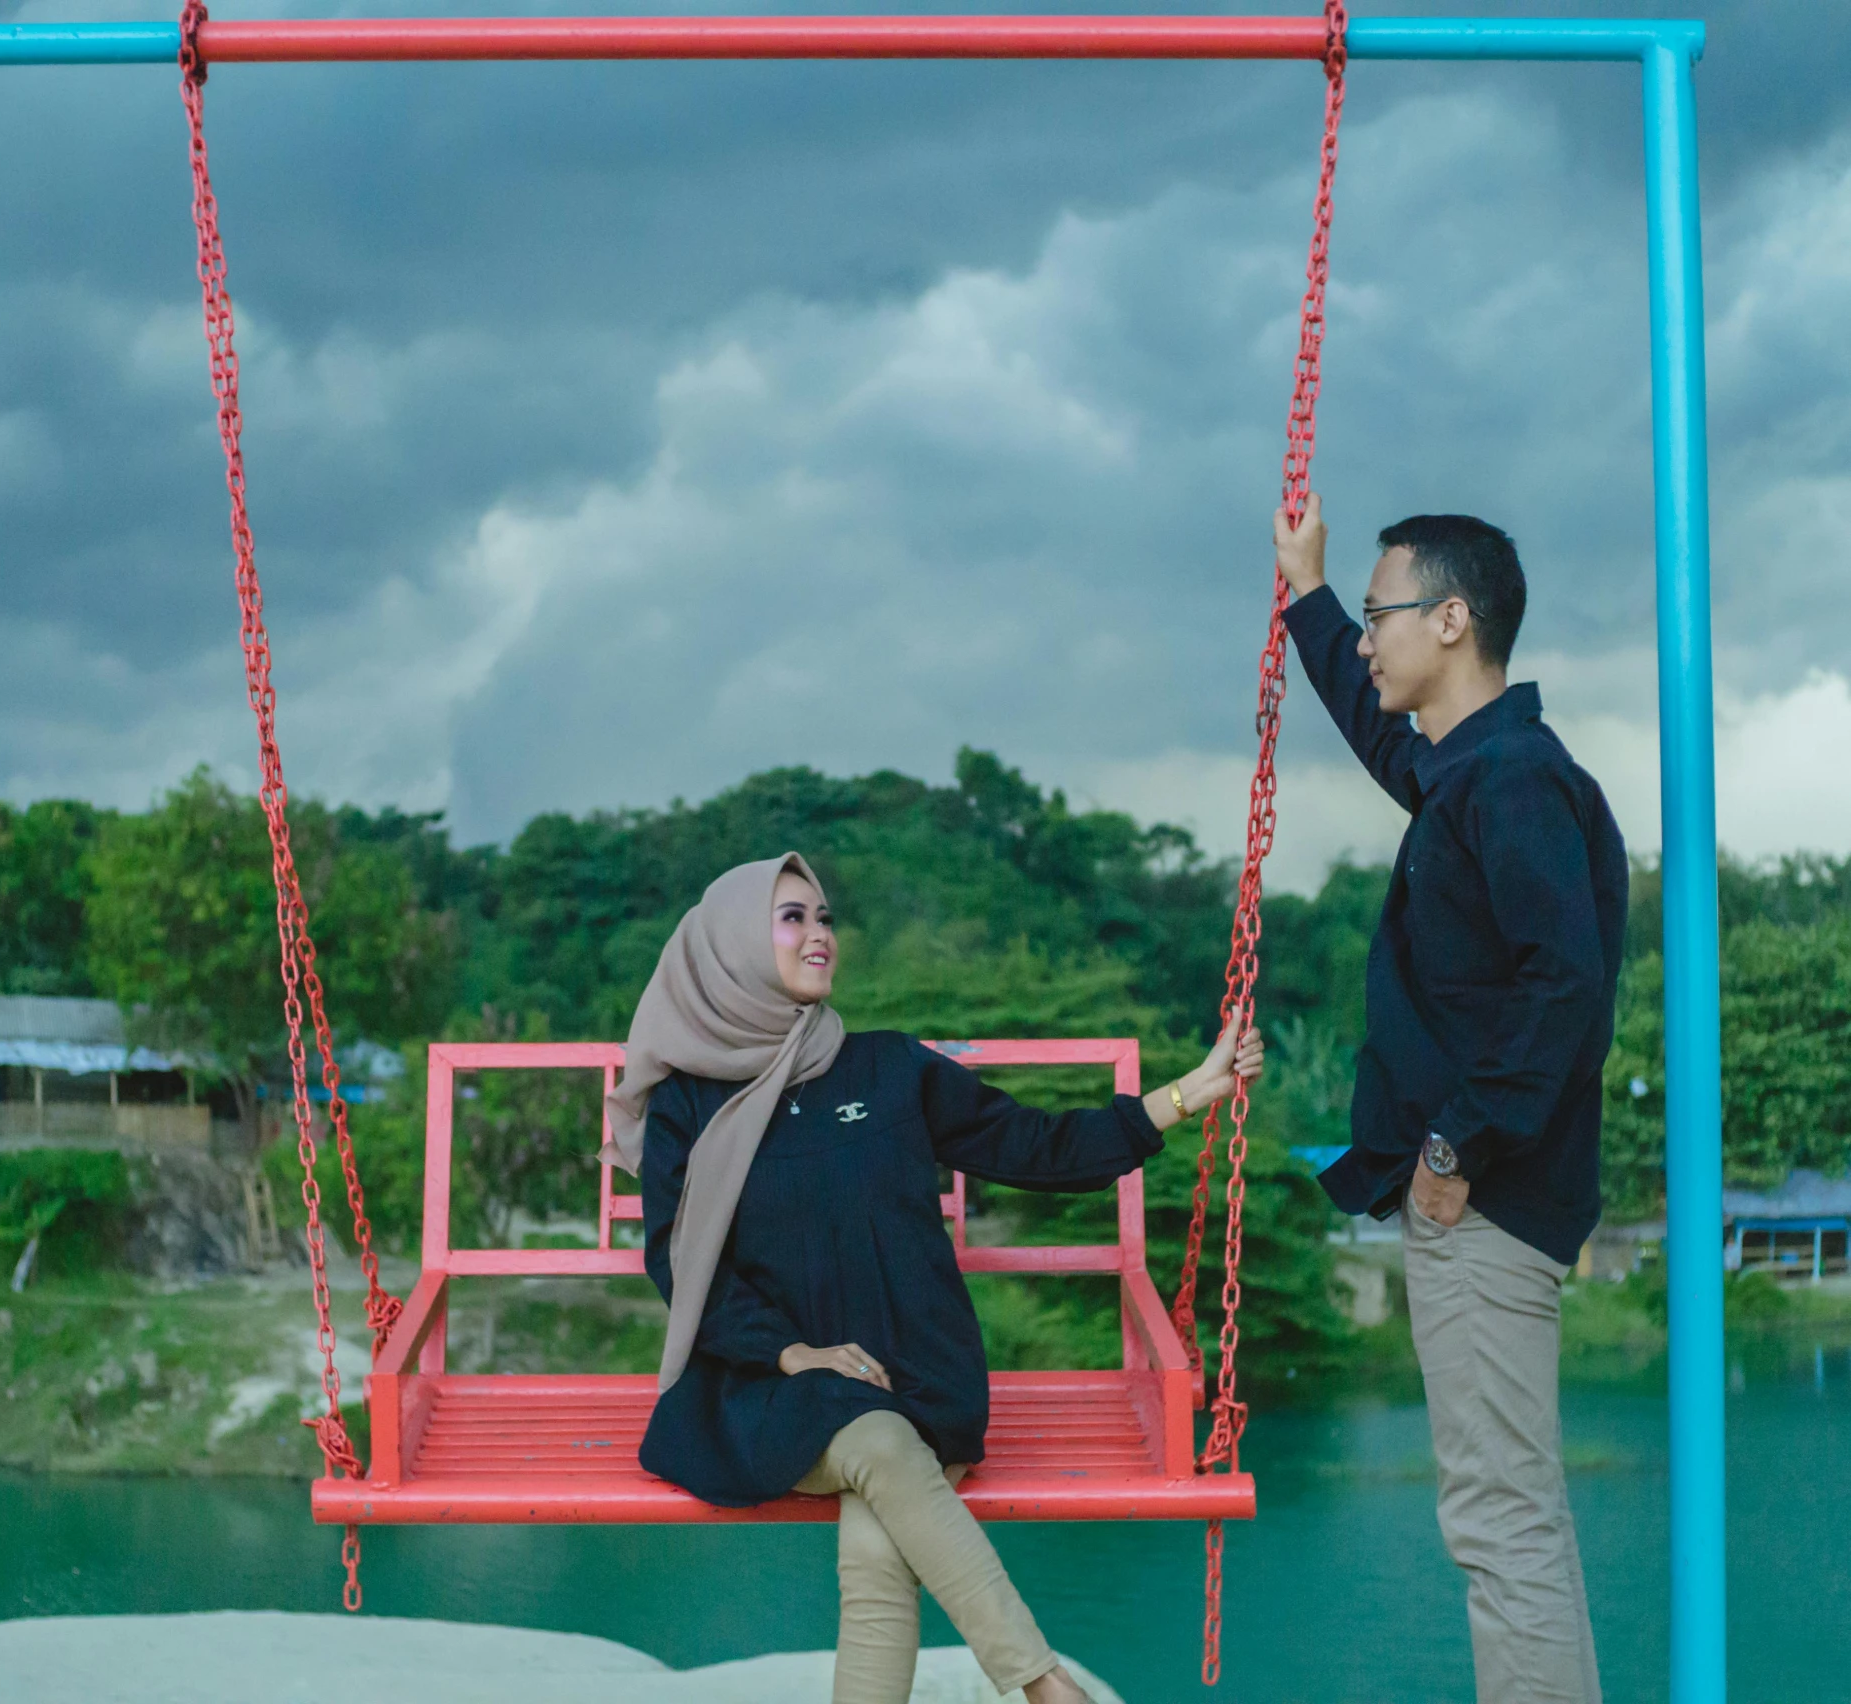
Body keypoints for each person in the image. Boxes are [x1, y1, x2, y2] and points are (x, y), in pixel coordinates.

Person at [601, 853, 1263, 1704]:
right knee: (879, 1452)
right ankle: (1042, 1683)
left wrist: (1189, 1092)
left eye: (825, 917)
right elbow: (676, 1256)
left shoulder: (888, 1068)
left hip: (917, 1365)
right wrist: (792, 1352)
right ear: (730, 945)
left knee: (879, 1553)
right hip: (774, 1381)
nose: (819, 935)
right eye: (792, 918)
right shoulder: (691, 1102)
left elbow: (1037, 1147)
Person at [1273, 496, 1626, 1704]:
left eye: (1380, 617)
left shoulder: (1516, 782)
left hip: (1482, 1206)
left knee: (1497, 1521)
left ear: (1452, 618)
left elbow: (1561, 983)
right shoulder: (1471, 775)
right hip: (1481, 1198)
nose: (1368, 642)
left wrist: (1451, 1148)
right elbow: (1389, 748)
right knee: (1509, 1516)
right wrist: (1308, 597)